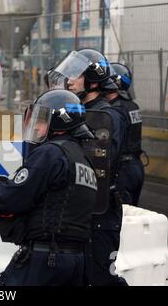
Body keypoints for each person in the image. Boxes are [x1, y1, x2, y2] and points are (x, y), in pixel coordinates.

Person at [0, 89, 97, 286]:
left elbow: (12, 199)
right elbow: (45, 194)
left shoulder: (51, 153)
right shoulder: (82, 159)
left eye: (41, 119)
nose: (35, 125)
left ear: (60, 122)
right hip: (74, 261)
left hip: (44, 261)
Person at [48, 48, 128, 286]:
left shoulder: (109, 117)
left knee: (102, 279)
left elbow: (100, 160)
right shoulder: (77, 113)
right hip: (77, 209)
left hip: (101, 213)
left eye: (77, 75)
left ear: (93, 81)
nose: (70, 80)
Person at [106, 62, 145, 206]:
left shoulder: (115, 110)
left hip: (123, 171)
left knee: (121, 217)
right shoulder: (132, 106)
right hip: (136, 165)